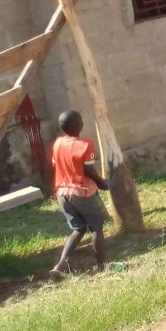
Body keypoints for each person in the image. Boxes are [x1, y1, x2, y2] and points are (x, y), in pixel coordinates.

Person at [50, 110, 109, 275]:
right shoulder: (85, 144)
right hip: (82, 192)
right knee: (96, 227)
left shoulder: (58, 144)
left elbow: (57, 164)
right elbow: (88, 170)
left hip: (62, 193)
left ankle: (60, 266)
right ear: (77, 124)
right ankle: (103, 266)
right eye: (81, 120)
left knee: (79, 228)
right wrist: (101, 182)